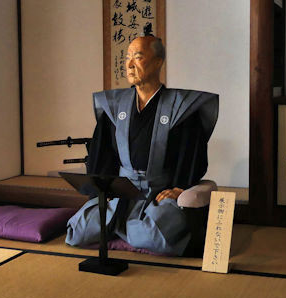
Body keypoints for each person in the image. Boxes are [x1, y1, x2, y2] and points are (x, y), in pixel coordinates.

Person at [66, 35, 218, 256]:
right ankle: (121, 227)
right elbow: (102, 153)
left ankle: (120, 230)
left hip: (158, 192)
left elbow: (191, 153)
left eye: (137, 57)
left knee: (152, 236)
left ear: (158, 62)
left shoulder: (180, 108)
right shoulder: (114, 105)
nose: (128, 64)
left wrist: (179, 187)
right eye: (127, 57)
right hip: (120, 191)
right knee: (77, 232)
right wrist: (102, 188)